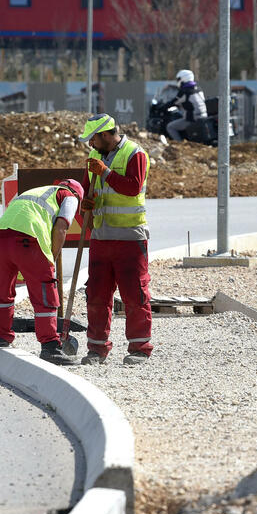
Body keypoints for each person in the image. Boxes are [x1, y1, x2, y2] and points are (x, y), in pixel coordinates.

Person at [77, 113, 153, 366]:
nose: (91, 145)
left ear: (106, 135)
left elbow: (132, 187)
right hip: (101, 237)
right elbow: (90, 189)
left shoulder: (135, 154)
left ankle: (140, 348)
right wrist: (86, 204)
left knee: (135, 295)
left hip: (130, 237)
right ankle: (97, 349)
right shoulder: (95, 157)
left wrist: (106, 172)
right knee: (97, 295)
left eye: (93, 139)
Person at [0, 178, 84, 366]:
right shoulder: (69, 196)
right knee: (45, 292)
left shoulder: (36, 190)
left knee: (3, 292)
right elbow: (61, 228)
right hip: (28, 237)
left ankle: (1, 341)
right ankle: (50, 347)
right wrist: (52, 258)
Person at [165, 69, 207, 142]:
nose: (177, 81)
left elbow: (174, 102)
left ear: (183, 78)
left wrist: (164, 106)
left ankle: (179, 144)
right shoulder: (198, 89)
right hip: (204, 116)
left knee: (170, 127)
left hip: (192, 119)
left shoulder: (185, 91)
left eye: (178, 79)